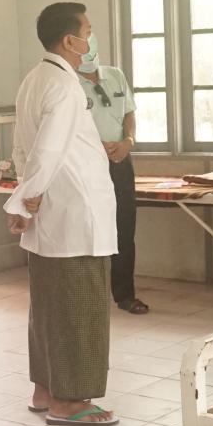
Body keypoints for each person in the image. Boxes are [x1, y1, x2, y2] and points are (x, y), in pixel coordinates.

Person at [5, 2, 119, 426]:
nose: (91, 39)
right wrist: (25, 198)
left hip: (54, 214)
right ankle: (68, 402)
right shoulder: (65, 86)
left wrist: (25, 193)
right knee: (79, 308)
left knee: (48, 307)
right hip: (75, 215)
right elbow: (49, 149)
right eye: (88, 32)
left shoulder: (36, 78)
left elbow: (23, 146)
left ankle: (45, 389)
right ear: (71, 40)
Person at [77, 45, 148, 314]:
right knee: (87, 228)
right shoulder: (69, 83)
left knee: (124, 227)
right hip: (86, 164)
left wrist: (128, 141)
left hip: (119, 161)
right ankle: (88, 296)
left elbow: (129, 113)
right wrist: (94, 147)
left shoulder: (115, 75)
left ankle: (125, 295)